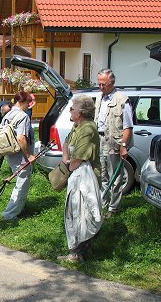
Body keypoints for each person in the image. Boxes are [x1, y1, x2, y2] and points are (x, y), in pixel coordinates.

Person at [57, 95, 103, 262]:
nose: (70, 110)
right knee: (75, 212)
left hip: (86, 179)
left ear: (81, 112)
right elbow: (67, 145)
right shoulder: (77, 127)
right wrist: (65, 161)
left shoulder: (88, 129)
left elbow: (78, 158)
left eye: (72, 108)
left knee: (83, 213)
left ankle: (77, 253)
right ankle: (81, 250)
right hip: (76, 176)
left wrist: (66, 169)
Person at [94, 69, 133, 218]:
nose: (101, 87)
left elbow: (128, 126)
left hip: (114, 143)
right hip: (101, 140)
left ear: (112, 83)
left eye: (103, 84)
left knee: (115, 177)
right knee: (102, 174)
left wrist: (123, 146)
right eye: (99, 84)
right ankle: (103, 204)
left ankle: (113, 208)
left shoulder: (122, 99)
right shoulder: (99, 97)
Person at [0, 92, 36, 221]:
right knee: (22, 183)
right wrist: (29, 156)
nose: (29, 106)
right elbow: (21, 138)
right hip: (21, 156)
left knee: (19, 181)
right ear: (21, 102)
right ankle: (9, 214)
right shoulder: (22, 116)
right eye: (28, 103)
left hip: (10, 153)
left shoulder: (8, 114)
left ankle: (18, 208)